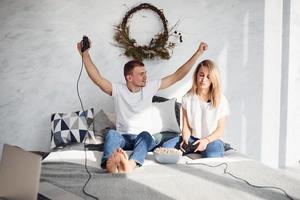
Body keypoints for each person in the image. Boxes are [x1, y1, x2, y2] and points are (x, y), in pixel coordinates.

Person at [77, 38, 208, 173]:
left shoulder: (149, 87)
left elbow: (177, 76)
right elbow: (97, 78)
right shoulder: (118, 90)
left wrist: (198, 53)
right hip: (123, 137)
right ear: (129, 78)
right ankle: (110, 164)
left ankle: (130, 165)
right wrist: (85, 54)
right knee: (111, 134)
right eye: (141, 74)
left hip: (142, 138)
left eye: (145, 73)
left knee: (146, 135)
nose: (145, 77)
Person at [161, 59, 229, 158]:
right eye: (201, 75)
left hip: (212, 140)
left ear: (213, 79)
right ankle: (196, 149)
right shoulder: (187, 98)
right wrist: (185, 139)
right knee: (165, 148)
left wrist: (206, 141)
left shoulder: (221, 99)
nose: (204, 79)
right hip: (193, 139)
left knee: (212, 154)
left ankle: (212, 148)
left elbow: (220, 130)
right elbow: (186, 127)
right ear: (196, 75)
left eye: (208, 76)